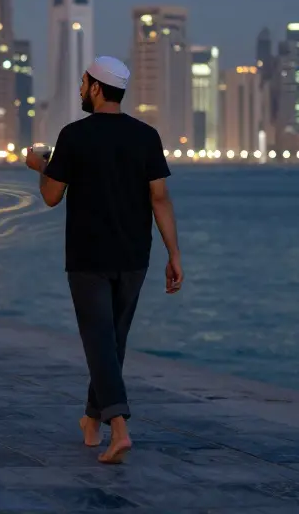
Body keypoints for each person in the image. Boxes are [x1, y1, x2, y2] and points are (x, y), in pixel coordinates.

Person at [24, 55, 184, 465]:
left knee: (98, 341)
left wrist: (39, 165)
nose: (80, 90)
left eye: (83, 83)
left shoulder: (74, 136)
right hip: (135, 255)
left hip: (88, 255)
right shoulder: (146, 136)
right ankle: (91, 422)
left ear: (96, 87)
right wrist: (174, 254)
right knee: (111, 341)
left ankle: (119, 428)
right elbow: (160, 198)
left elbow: (51, 195)